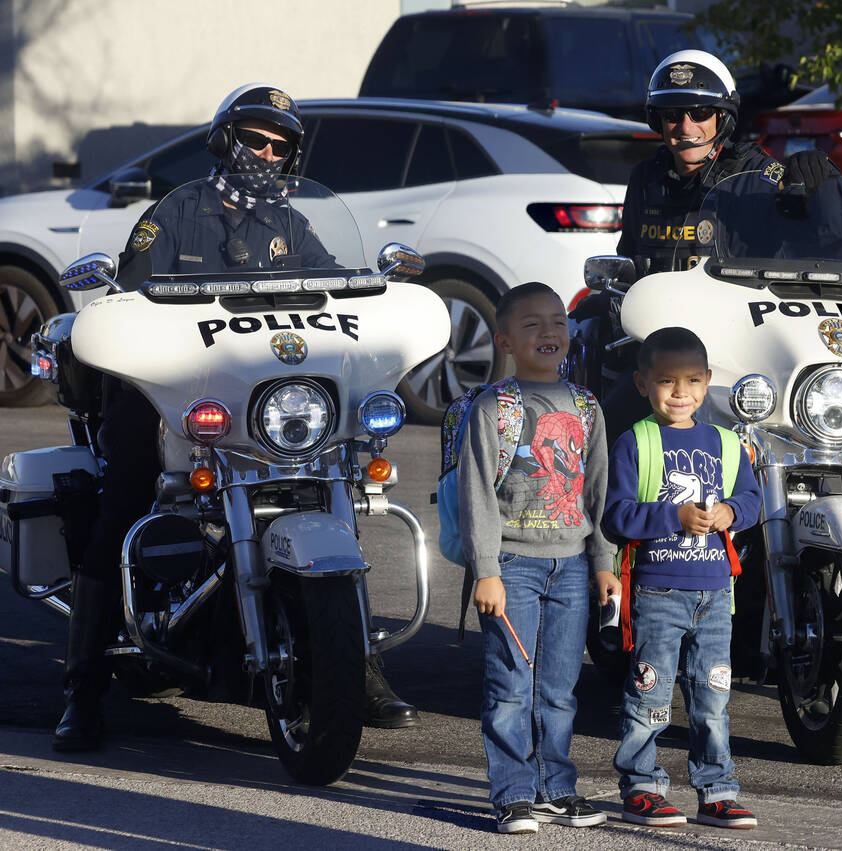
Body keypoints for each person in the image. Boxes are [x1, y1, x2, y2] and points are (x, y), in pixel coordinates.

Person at [51, 84, 416, 753]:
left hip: (265, 403)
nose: (265, 153)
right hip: (178, 394)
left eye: (279, 145)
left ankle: (358, 665)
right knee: (125, 489)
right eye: (254, 137)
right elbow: (130, 295)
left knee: (337, 495)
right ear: (225, 139)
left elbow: (337, 293)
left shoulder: (292, 224)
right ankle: (82, 685)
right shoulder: (176, 211)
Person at [595, 49, 841, 444]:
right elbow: (628, 257)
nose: (684, 126)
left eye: (699, 113)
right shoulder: (646, 177)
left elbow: (828, 234)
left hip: (738, 350)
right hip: (660, 349)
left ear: (722, 118)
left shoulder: (757, 176)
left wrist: (823, 184)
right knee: (606, 437)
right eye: (672, 114)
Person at [459, 281, 620, 834]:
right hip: (512, 567)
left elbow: (598, 492)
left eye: (558, 321)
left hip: (573, 565)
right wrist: (486, 570)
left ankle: (556, 788)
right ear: (505, 340)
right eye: (532, 325)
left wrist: (604, 562)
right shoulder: (493, 408)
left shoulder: (586, 406)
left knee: (558, 688)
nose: (549, 332)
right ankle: (513, 793)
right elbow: (477, 493)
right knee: (510, 685)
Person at [603, 327, 762, 829]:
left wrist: (730, 514)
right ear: (642, 383)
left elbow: (754, 501)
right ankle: (641, 786)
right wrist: (675, 517)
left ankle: (716, 791)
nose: (680, 392)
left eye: (693, 380)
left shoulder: (727, 443)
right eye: (667, 381)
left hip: (715, 593)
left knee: (712, 698)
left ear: (708, 381)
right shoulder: (635, 442)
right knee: (650, 694)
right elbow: (617, 516)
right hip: (657, 591)